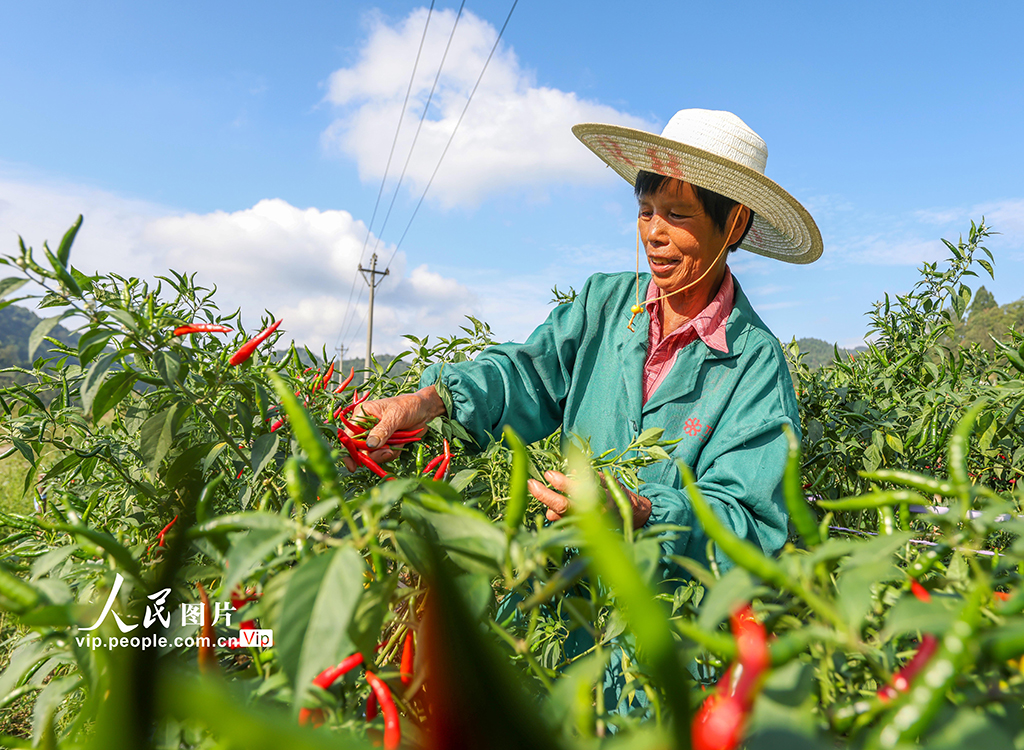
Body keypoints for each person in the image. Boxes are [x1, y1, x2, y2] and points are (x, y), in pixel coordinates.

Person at [348, 108, 822, 579]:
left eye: (677, 214)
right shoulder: (605, 302)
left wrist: (643, 513)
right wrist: (433, 399)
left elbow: (749, 521)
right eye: (646, 212)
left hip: (666, 626)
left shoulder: (754, 364)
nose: (653, 233)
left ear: (735, 224)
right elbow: (528, 373)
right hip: (560, 596)